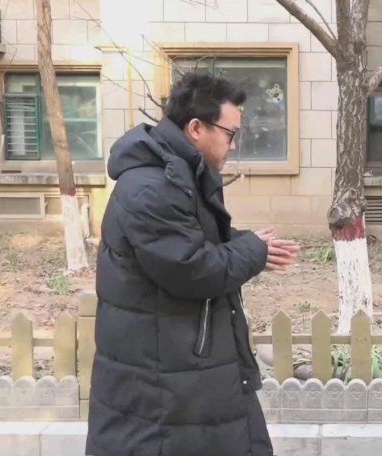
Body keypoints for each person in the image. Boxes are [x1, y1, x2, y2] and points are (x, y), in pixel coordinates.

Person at [86, 72, 298, 456]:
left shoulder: (177, 173)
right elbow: (191, 267)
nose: (234, 145)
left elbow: (189, 238)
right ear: (196, 128)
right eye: (230, 134)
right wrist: (250, 251)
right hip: (160, 385)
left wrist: (246, 245)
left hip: (177, 369)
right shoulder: (152, 187)